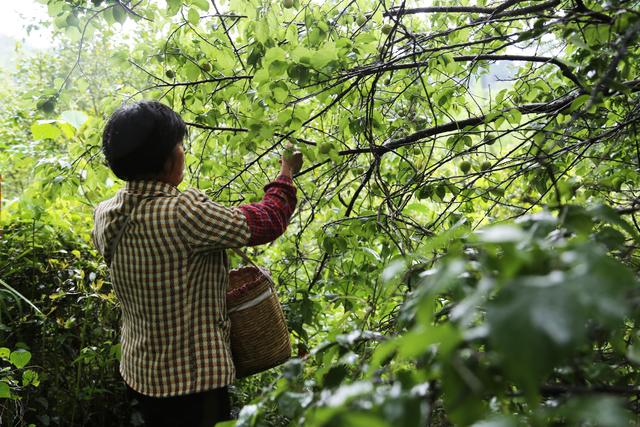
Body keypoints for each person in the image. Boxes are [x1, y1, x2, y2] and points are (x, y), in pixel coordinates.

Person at [91, 100, 302, 426]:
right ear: (167, 158)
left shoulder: (106, 213)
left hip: (141, 373)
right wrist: (286, 173)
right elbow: (268, 220)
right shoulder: (184, 212)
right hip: (194, 381)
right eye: (179, 145)